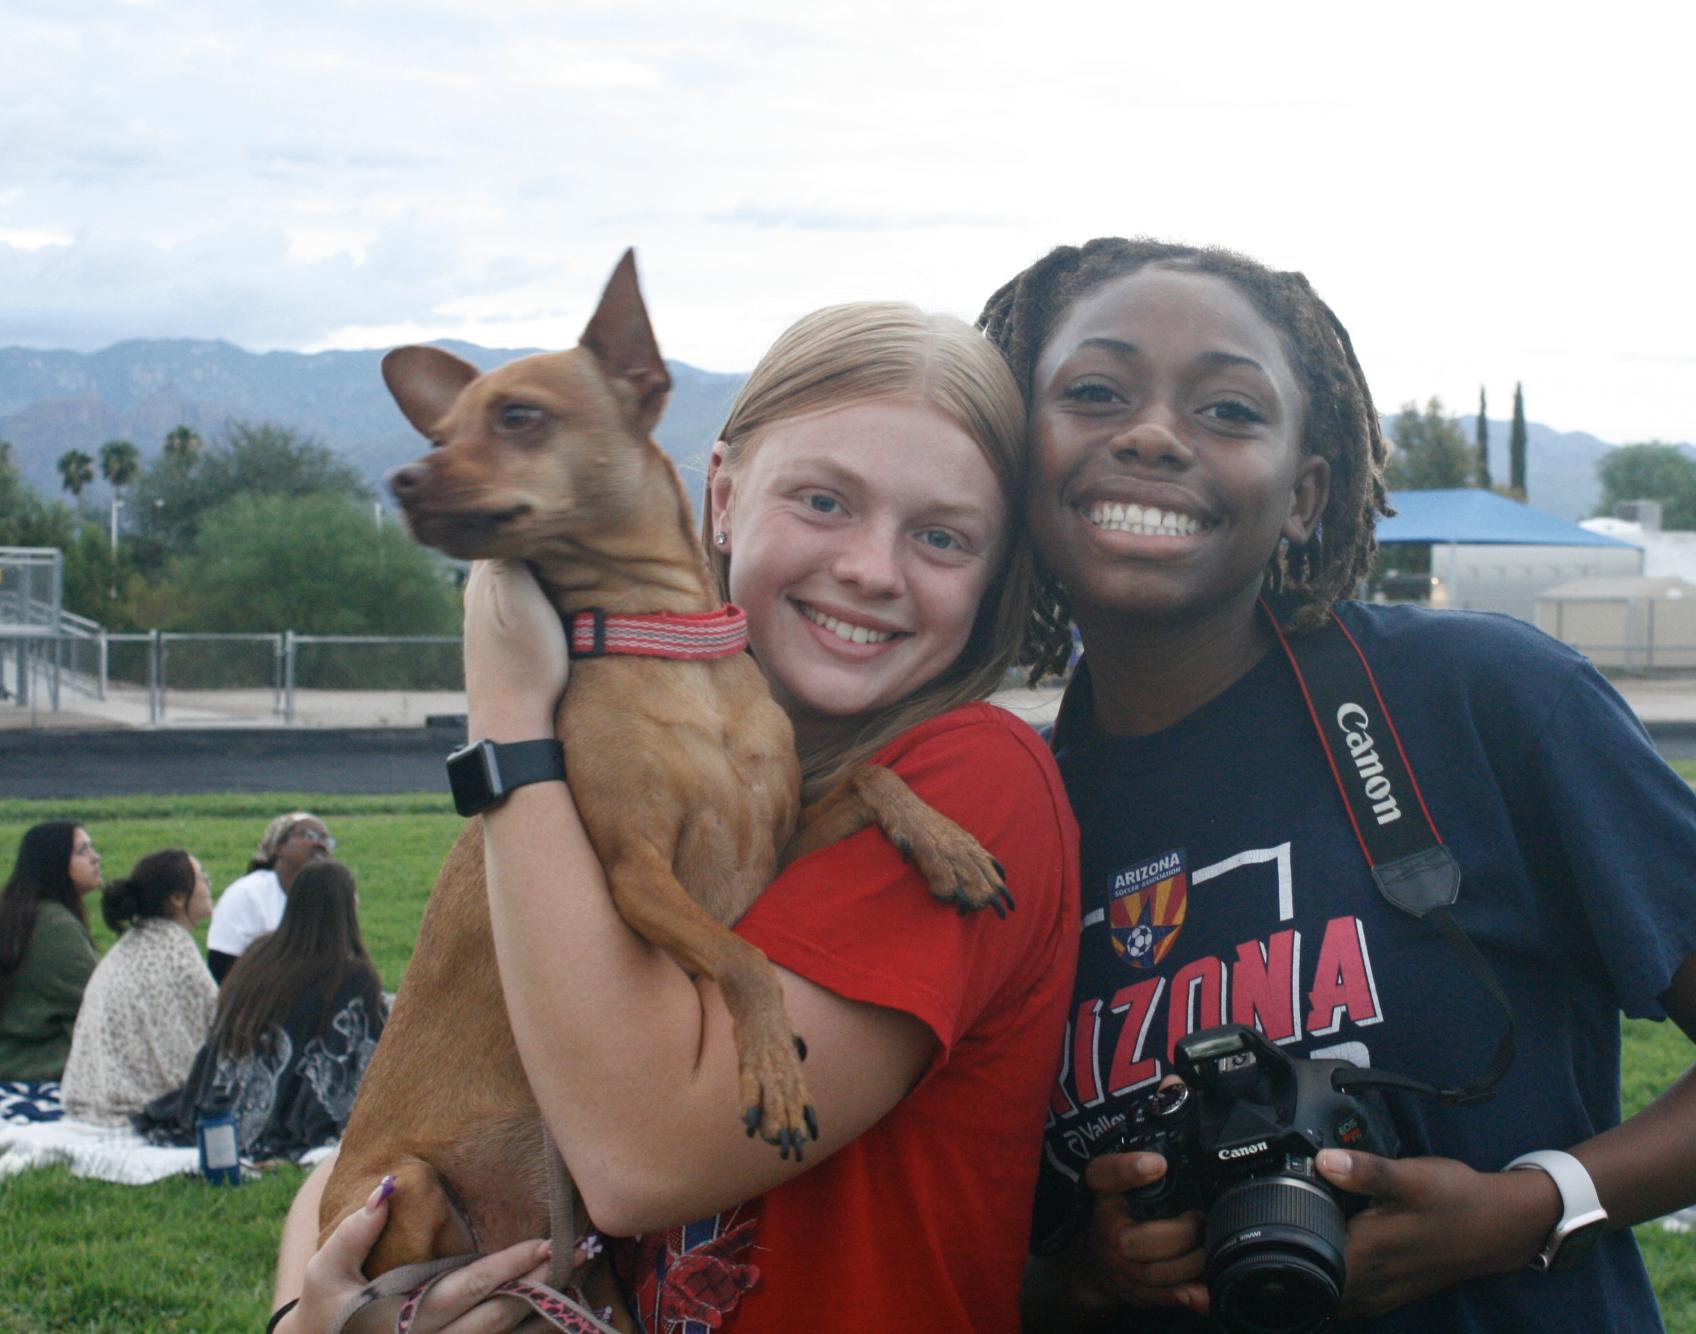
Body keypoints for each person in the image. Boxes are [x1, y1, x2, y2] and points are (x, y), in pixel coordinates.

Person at [975, 238, 1696, 1331]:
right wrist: (1086, 1275)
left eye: (1230, 410)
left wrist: (1523, 1210)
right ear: (1019, 453)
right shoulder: (995, 820)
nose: (1154, 433)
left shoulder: (1482, 699)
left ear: (1305, 494)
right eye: (1097, 391)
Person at [276, 301, 1080, 1333]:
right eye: (825, 500)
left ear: (996, 569)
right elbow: (362, 1157)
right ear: (723, 493)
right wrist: (312, 1314)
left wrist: (510, 717)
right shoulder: (655, 741)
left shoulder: (979, 774)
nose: (873, 568)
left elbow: (634, 1162)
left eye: (941, 534)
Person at [139, 859, 385, 1162]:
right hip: (290, 1114)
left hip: (226, 1099)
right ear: (346, 905)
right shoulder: (351, 977)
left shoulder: (258, 955)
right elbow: (365, 1051)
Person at [59, 848, 218, 1125]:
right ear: (178, 899)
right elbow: (218, 1032)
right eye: (202, 879)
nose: (209, 885)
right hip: (142, 1103)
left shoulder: (133, 944)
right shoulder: (176, 953)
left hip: (94, 1094)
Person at [0, 821, 102, 1082]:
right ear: (54, 862)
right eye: (82, 851)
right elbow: (102, 1002)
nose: (95, 858)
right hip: (30, 1064)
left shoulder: (20, 911)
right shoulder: (55, 927)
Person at [206, 812, 334, 983]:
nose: (320, 845)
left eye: (326, 840)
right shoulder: (247, 893)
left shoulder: (328, 897)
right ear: (279, 847)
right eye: (309, 836)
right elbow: (221, 966)